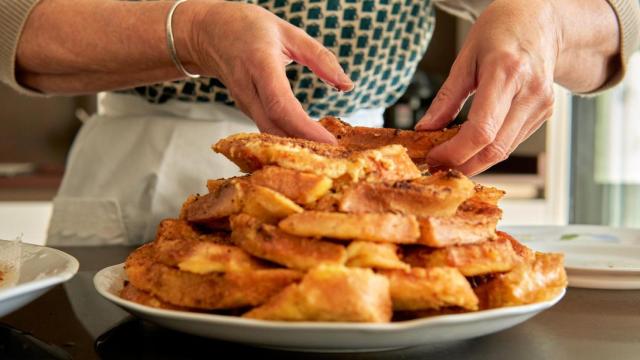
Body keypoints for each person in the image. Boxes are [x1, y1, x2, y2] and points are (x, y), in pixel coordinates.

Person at [1, 0, 638, 245]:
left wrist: (546, 24)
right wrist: (193, 30)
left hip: (376, 186)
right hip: (137, 165)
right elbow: (13, 23)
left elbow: (620, 20)